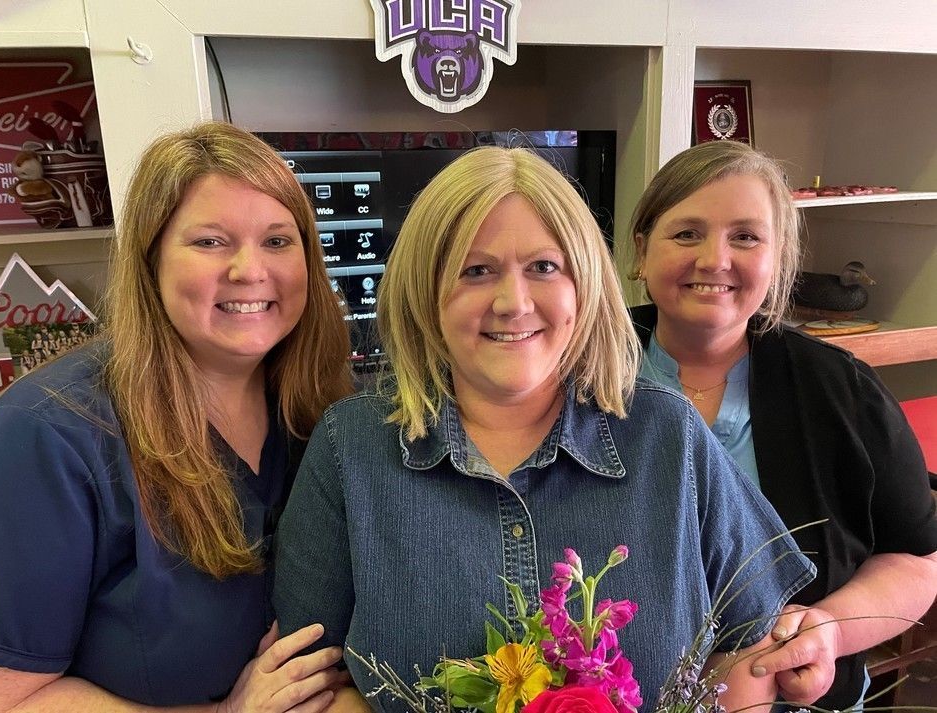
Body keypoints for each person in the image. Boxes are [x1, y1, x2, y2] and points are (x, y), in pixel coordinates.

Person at [274, 146, 817, 712]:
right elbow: (309, 679)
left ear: (583, 286)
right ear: (424, 291)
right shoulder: (349, 448)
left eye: (543, 267)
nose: (514, 302)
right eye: (476, 270)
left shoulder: (670, 436)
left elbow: (753, 648)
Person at [0, 122, 354, 711]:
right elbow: (2, 697)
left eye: (279, 241)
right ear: (150, 258)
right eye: (210, 241)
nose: (248, 270)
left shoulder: (327, 415)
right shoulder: (48, 433)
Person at [626, 139, 937, 710]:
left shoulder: (841, 391)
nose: (714, 259)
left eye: (745, 236)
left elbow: (916, 558)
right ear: (642, 251)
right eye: (686, 233)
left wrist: (832, 629)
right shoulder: (574, 372)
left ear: (779, 257)